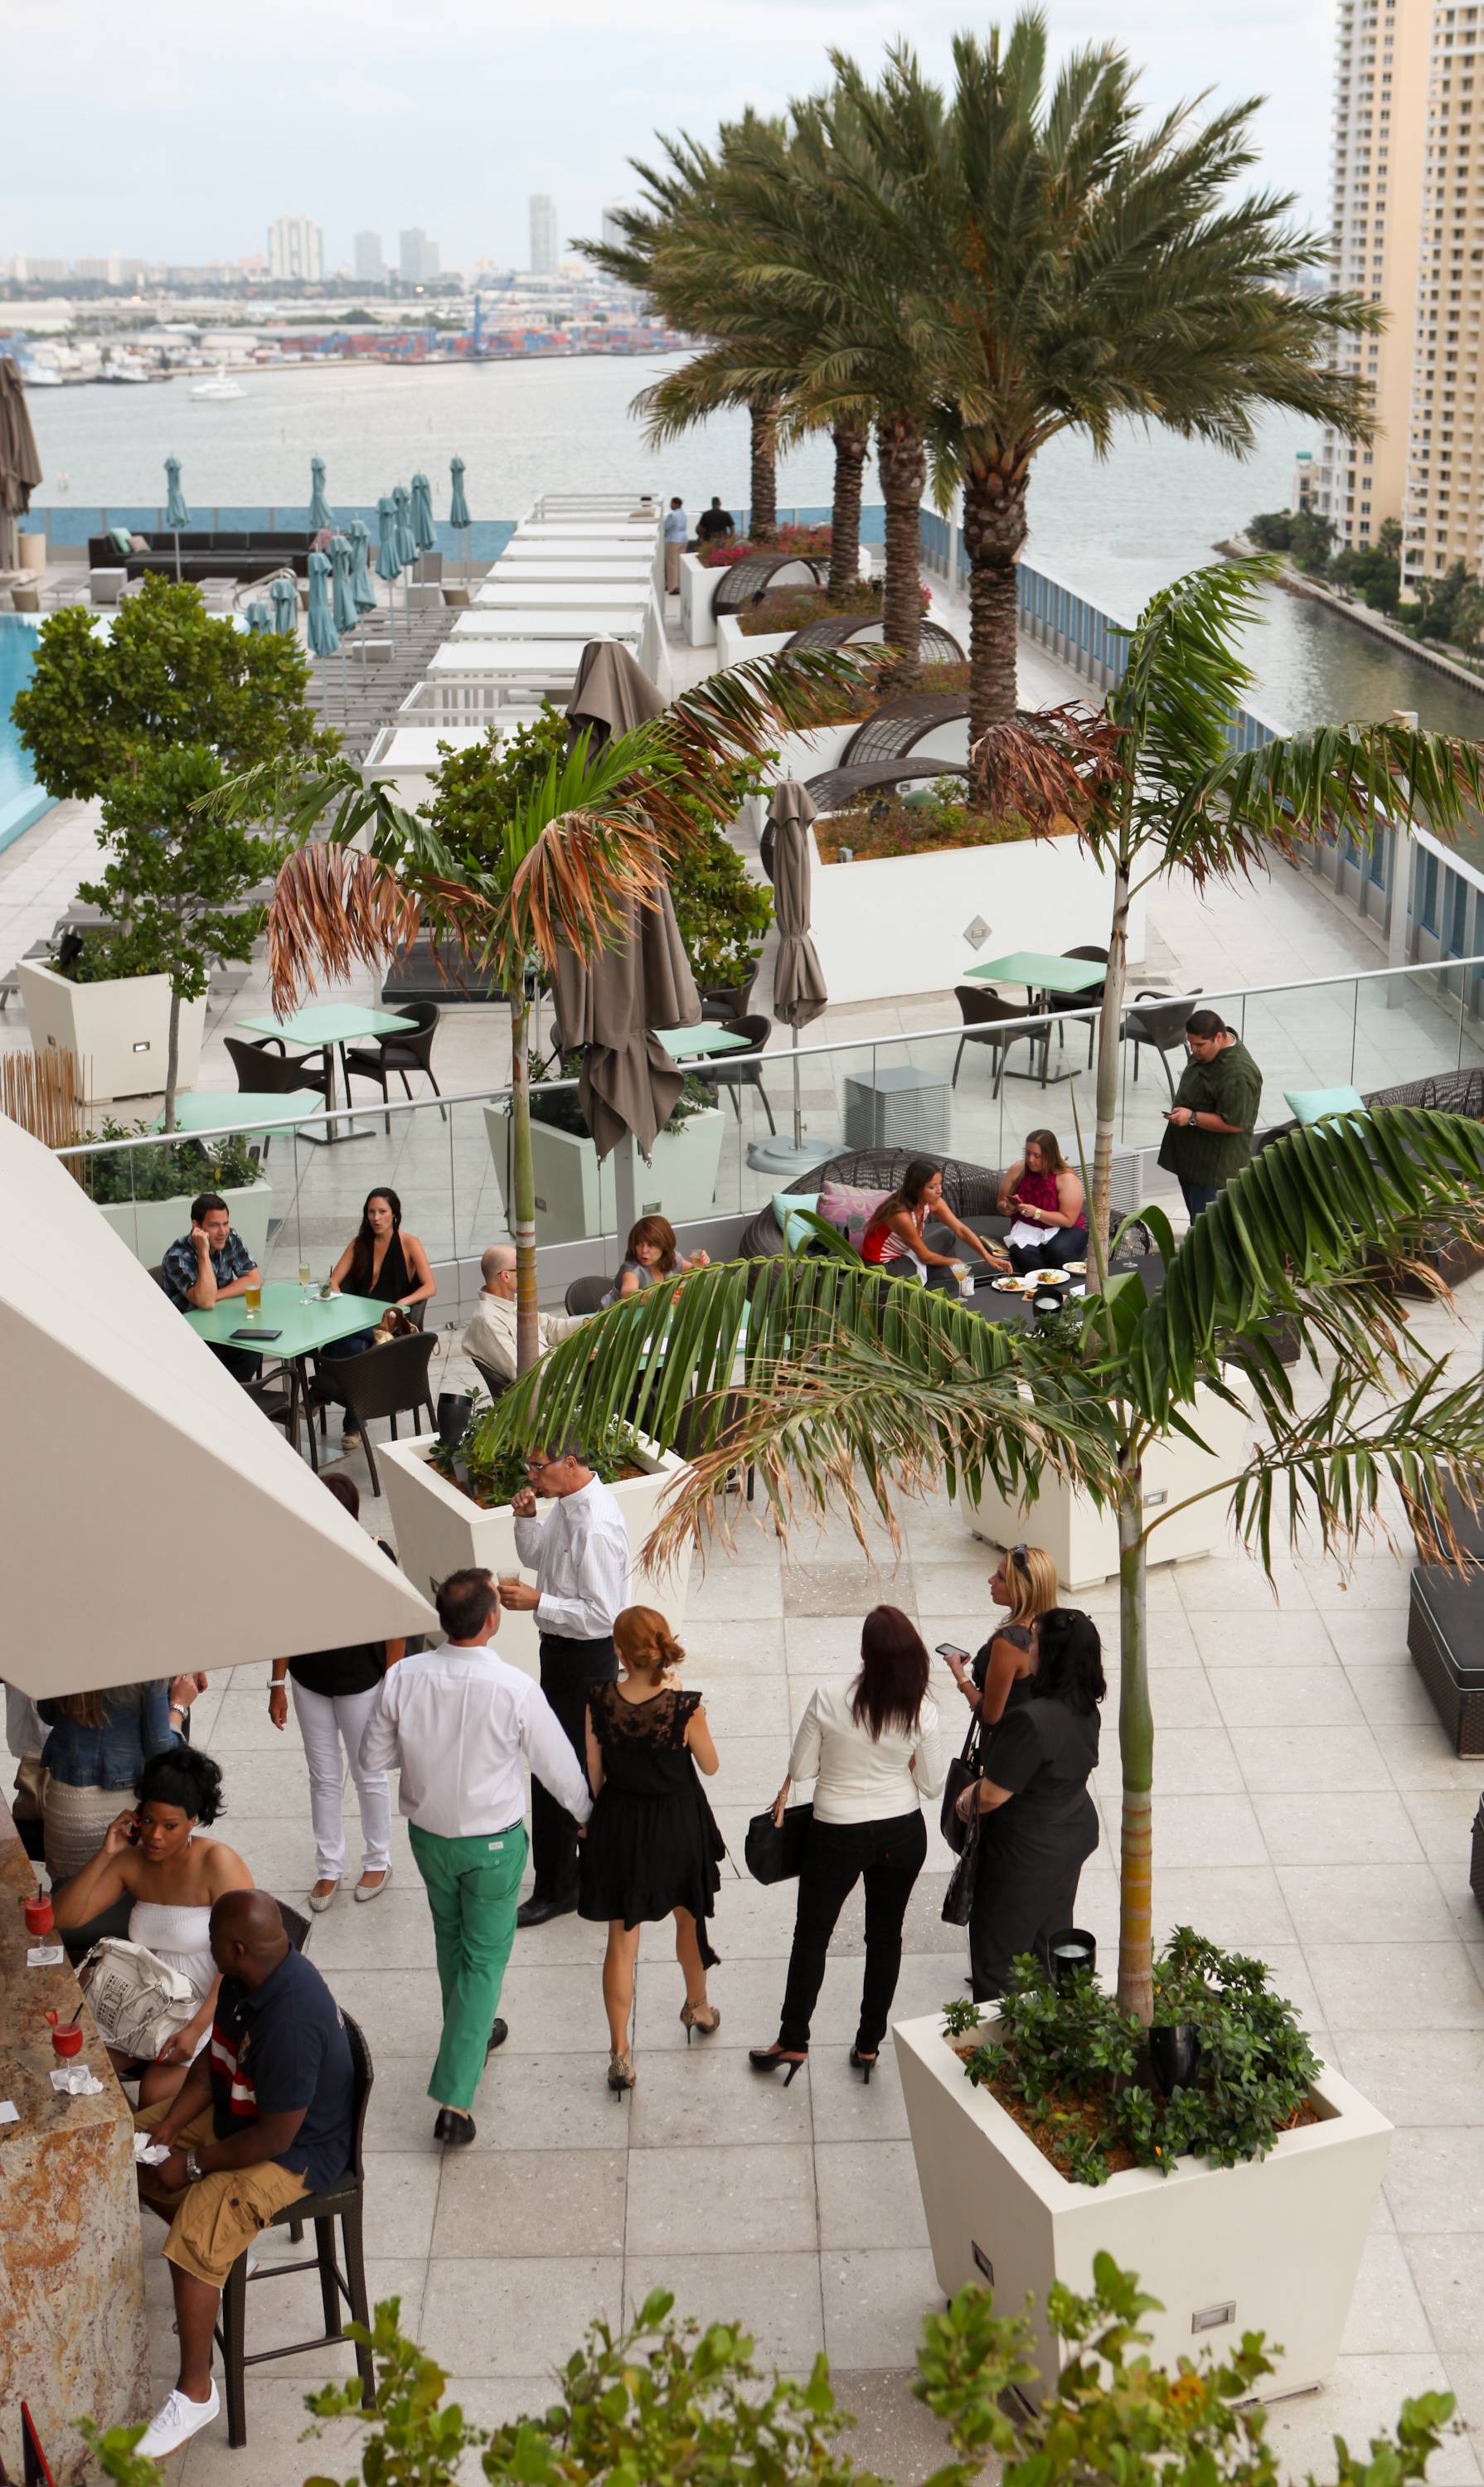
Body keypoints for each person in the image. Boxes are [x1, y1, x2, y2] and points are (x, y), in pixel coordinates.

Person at [357, 1567, 593, 2145]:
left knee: (451, 1941)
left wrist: (426, 1751)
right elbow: (557, 1766)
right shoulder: (514, 1686)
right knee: (484, 1959)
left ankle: (473, 2029)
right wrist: (586, 1814)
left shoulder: (403, 1676)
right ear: (492, 1619)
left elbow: (372, 1758)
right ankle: (455, 2102)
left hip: (430, 1839)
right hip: (492, 1846)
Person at [130, 1890, 356, 2461]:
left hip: (295, 2152)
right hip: (245, 2111)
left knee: (194, 2235)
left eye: (211, 1940)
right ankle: (223, 2260)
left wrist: (195, 2163)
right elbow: (215, 2063)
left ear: (235, 1948)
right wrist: (170, 2126)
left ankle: (196, 2392)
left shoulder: (291, 2021)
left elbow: (274, 2138)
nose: (205, 1946)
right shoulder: (243, 1977)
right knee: (126, 2152)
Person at [750, 1606, 943, 2086]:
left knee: (812, 1936)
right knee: (885, 1936)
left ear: (864, 1652)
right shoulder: (921, 1709)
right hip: (902, 1831)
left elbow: (802, 1769)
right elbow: (932, 1785)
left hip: (836, 1832)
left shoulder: (829, 1698)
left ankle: (793, 2039)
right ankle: (869, 2044)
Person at [51, 1745, 252, 2104]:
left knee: (155, 2094)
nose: (155, 1835)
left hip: (209, 2006)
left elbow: (240, 1962)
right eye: (148, 1821)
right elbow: (64, 1917)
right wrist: (106, 1853)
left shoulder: (217, 1863)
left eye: (170, 1826)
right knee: (76, 2068)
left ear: (192, 1821)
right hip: (145, 2002)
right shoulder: (132, 1861)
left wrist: (195, 2030)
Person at [580, 1607, 721, 2094]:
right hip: (676, 1824)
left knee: (622, 1941)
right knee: (688, 1918)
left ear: (620, 1653)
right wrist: (683, 1702)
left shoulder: (599, 1700)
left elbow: (594, 1776)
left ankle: (620, 2054)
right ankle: (698, 2006)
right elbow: (711, 1765)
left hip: (621, 1823)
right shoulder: (683, 1706)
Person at [501, 1444, 632, 1925]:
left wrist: (540, 1602)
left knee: (557, 1769)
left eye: (538, 1467)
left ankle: (558, 1888)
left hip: (583, 1660)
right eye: (530, 1466)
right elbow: (541, 1557)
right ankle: (581, 1875)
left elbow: (603, 1616)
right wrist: (526, 1521)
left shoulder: (594, 1526)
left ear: (570, 1464)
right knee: (570, 1767)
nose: (532, 1475)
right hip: (561, 1653)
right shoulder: (567, 1504)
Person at [268, 1472, 402, 1912]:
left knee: (368, 1772)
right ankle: (328, 1867)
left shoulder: (375, 1554)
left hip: (361, 1684)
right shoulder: (295, 1558)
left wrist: (392, 1685)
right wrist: (277, 1684)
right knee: (323, 1778)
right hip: (309, 1683)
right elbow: (284, 1623)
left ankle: (378, 1860)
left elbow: (395, 1628)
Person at [956, 1607, 1106, 2001]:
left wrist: (964, 1801)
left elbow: (992, 1794)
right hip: (1070, 1836)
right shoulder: (1085, 1707)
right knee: (1048, 1944)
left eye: (1035, 1640)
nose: (1029, 1646)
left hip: (1024, 1852)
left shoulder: (1031, 1720)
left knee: (999, 1960)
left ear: (1051, 1653)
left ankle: (1003, 2040)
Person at [37, 1675, 205, 1886]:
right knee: (120, 1896)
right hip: (121, 1807)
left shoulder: (61, 1659)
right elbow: (161, 1749)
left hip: (64, 1802)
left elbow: (48, 1714)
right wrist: (178, 1706)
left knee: (68, 1892)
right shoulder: (147, 1667)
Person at [323, 1187, 436, 1450]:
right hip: (359, 1325)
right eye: (371, 1212)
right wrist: (340, 1300)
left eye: (382, 1212)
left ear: (394, 1214)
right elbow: (334, 1281)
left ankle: (325, 1394)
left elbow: (430, 1286)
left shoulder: (409, 1243)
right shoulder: (359, 1244)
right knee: (358, 1346)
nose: (376, 1218)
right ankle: (353, 1423)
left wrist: (402, 1303)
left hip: (390, 1327)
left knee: (350, 1343)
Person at [1157, 1010, 1263, 1224]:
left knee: (1208, 1231)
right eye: (1191, 1044)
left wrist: (1192, 1117)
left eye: (1200, 1045)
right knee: (1196, 1224)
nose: (1193, 1050)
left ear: (1219, 1037)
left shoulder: (1239, 1075)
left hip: (1213, 1173)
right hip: (1192, 1162)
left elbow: (1235, 1123)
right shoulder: (1207, 1051)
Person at [942, 1543, 1060, 1727]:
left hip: (1011, 1738)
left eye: (1001, 1577)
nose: (991, 1580)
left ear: (1021, 1589)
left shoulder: (1010, 1643)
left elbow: (990, 1715)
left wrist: (959, 1673)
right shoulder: (1055, 1628)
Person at [161, 1191, 263, 1383]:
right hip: (191, 1338)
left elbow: (254, 1279)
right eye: (214, 1225)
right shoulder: (176, 1257)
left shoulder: (230, 1238)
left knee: (252, 1347)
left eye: (225, 1223)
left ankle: (235, 1395)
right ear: (196, 1226)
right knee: (222, 1362)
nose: (222, 1232)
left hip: (221, 1327)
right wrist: (203, 1252)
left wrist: (215, 1295)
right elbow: (206, 1303)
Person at [463, 1243, 586, 1386]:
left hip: (562, 1374)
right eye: (522, 1268)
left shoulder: (513, 1302)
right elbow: (524, 1373)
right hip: (553, 1390)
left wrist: (587, 1324)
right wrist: (576, 1358)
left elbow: (549, 1327)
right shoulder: (488, 1320)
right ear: (506, 1276)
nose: (530, 1273)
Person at [861, 1160, 1001, 1282]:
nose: (939, 1190)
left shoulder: (934, 1202)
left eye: (940, 1184)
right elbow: (925, 1257)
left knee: (947, 1234)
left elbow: (960, 1229)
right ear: (916, 1189)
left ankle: (944, 1278)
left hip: (905, 1256)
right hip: (882, 1269)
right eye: (932, 1187)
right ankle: (940, 1282)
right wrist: (955, 1262)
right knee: (947, 1265)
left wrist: (988, 1257)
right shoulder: (902, 1216)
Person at [990, 1132, 1088, 1273]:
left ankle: (1075, 1283)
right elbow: (1000, 1204)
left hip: (1065, 1229)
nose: (1030, 1160)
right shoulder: (1018, 1170)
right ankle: (1041, 1285)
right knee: (1026, 1256)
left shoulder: (1066, 1178)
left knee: (1057, 1251)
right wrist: (1009, 1207)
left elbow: (1068, 1220)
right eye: (1027, 1153)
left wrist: (1036, 1213)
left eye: (1037, 1156)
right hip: (1028, 1229)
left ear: (1050, 1155)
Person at [599, 1214, 710, 1307]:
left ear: (664, 1245)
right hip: (613, 1321)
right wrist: (659, 1296)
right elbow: (628, 1294)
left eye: (650, 1245)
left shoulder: (673, 1258)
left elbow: (694, 1275)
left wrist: (700, 1264)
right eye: (639, 1244)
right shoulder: (632, 1268)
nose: (644, 1250)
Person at [662, 494, 689, 594]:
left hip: (673, 540)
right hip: (683, 539)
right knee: (680, 564)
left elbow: (666, 526)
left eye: (672, 503)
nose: (670, 505)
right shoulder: (683, 514)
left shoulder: (672, 515)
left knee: (672, 564)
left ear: (676, 504)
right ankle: (681, 586)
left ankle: (673, 587)